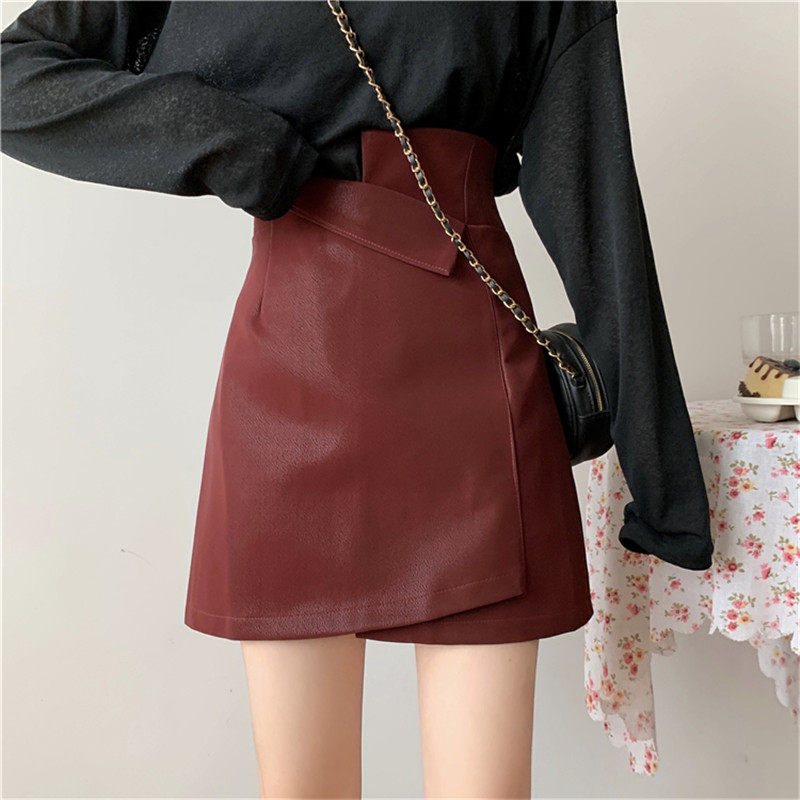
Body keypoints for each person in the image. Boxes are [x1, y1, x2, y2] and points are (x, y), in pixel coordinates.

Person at [0, 1, 714, 796]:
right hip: (288, 386)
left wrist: (665, 485)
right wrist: (224, 138)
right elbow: (13, 75)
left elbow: (597, 205)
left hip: (474, 397)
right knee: (303, 789)